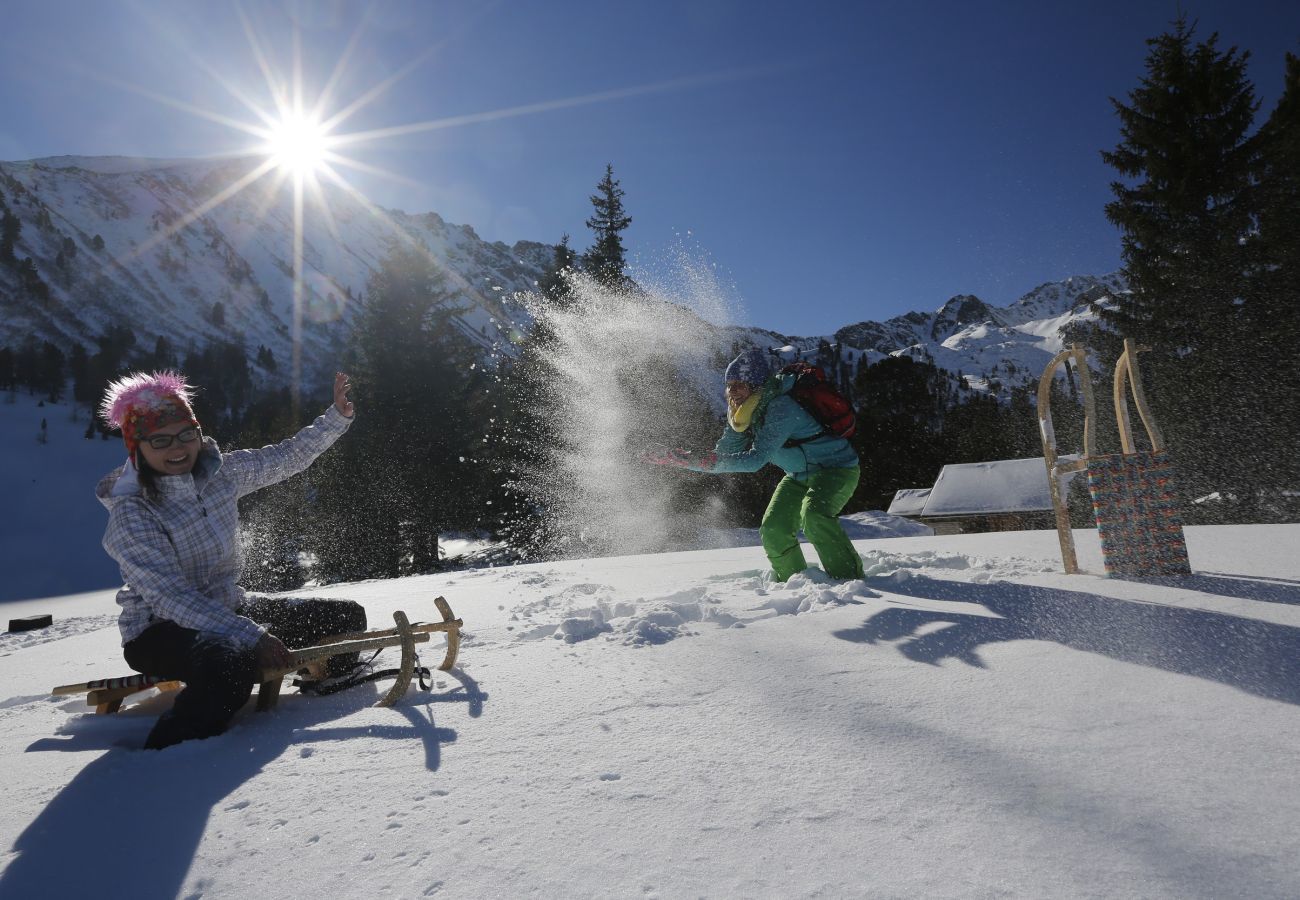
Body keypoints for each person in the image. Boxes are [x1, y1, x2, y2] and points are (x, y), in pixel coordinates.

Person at [96, 370, 366, 750]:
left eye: (186, 434)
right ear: (136, 447)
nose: (178, 448)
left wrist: (336, 418)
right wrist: (251, 634)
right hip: (158, 630)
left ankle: (323, 687)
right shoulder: (134, 514)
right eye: (160, 439)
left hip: (230, 608)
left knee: (345, 617)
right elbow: (170, 599)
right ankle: (166, 752)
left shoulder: (222, 474)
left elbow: (285, 457)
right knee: (230, 663)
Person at [645, 348, 865, 583]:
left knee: (815, 517)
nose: (733, 391)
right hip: (797, 475)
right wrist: (683, 458)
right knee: (773, 529)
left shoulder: (782, 407)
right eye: (729, 384)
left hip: (836, 469)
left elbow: (754, 460)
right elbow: (724, 454)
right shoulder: (741, 414)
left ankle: (849, 582)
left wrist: (699, 462)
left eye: (740, 384)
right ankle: (797, 584)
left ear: (757, 384)